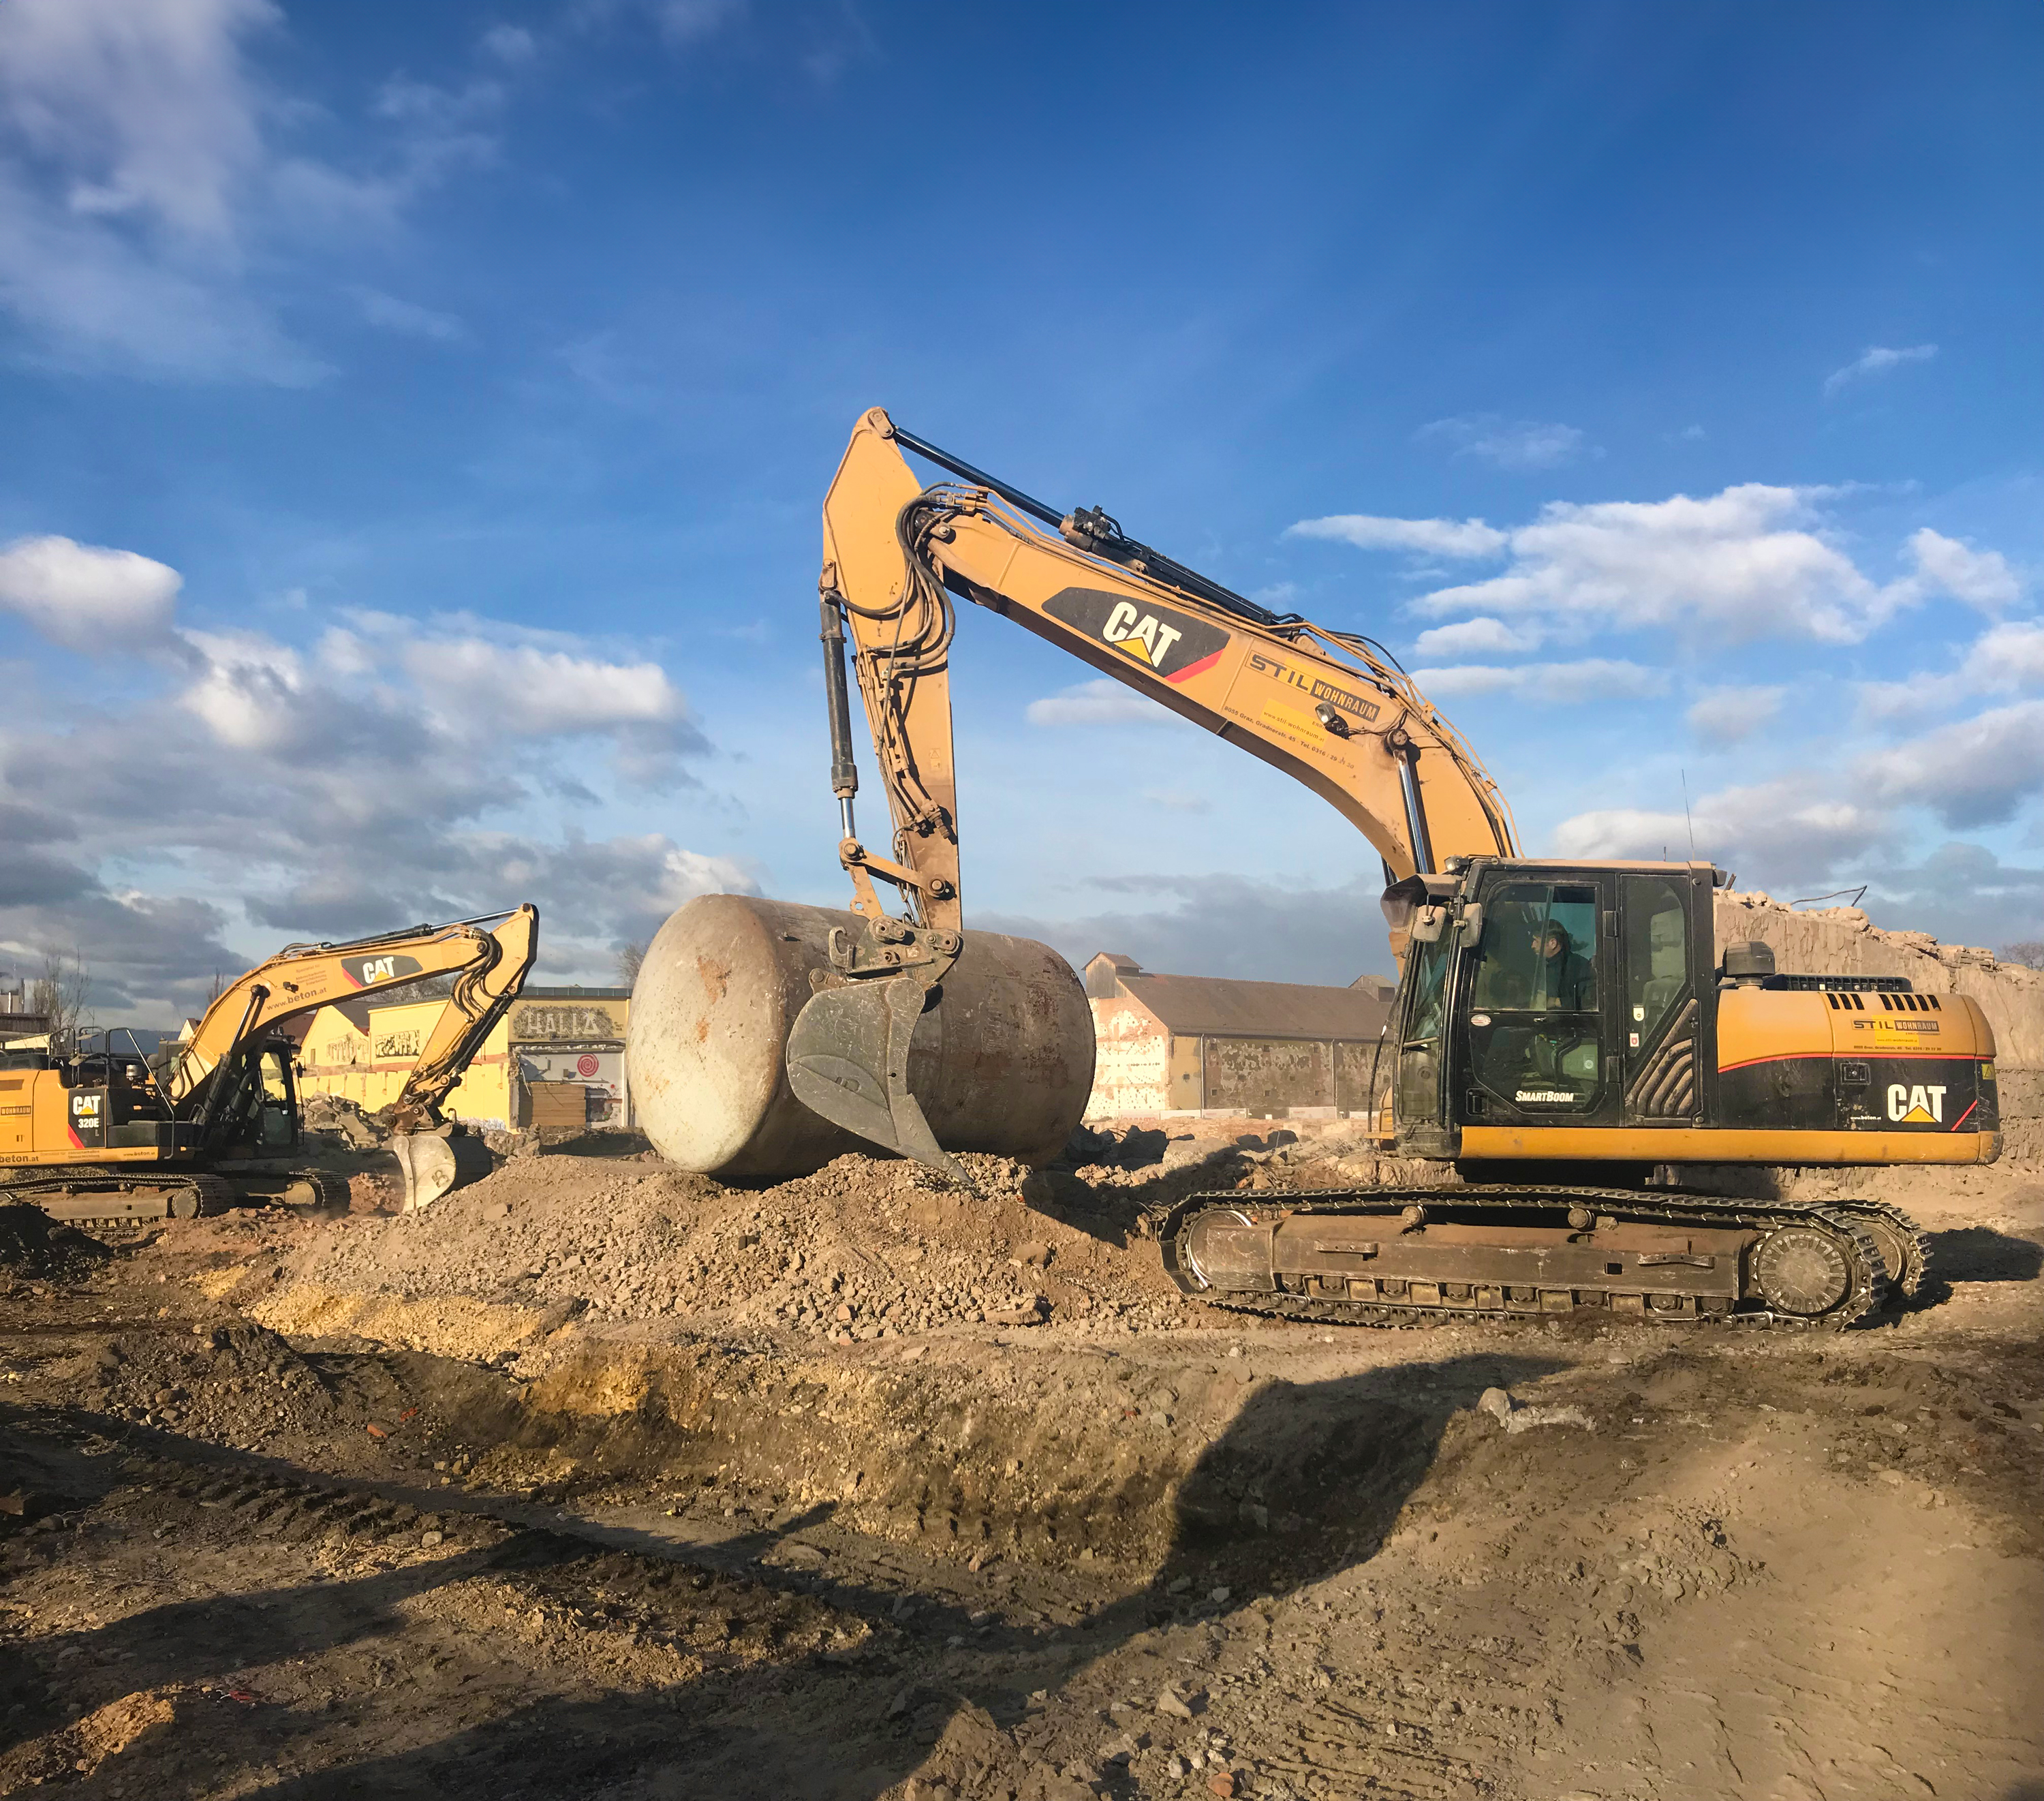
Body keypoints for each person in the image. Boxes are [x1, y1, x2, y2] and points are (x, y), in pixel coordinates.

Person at [1529, 921, 1595, 1011]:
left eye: (1536, 941)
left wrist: (1555, 1002)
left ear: (1553, 943)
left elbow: (1591, 1003)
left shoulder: (1581, 968)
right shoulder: (1534, 967)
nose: (1532, 945)